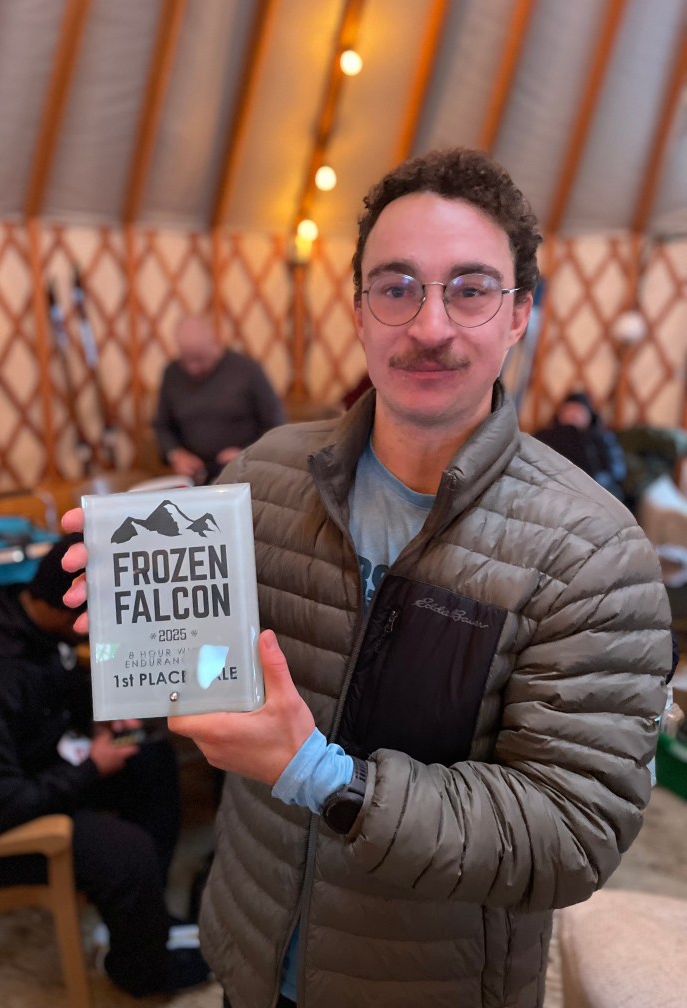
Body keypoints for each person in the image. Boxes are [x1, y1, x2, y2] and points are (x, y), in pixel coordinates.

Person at [63, 148, 672, 1008]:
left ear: (518, 315)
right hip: (251, 949)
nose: (430, 325)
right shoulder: (263, 478)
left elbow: (572, 834)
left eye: (470, 289)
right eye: (397, 288)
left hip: (431, 987)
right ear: (358, 313)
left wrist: (321, 774)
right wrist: (140, 627)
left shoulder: (594, 553)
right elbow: (215, 680)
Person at [0, 534, 209, 999]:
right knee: (126, 852)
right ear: (71, 609)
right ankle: (141, 973)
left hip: (34, 767)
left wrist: (99, 719)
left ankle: (140, 919)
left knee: (152, 758)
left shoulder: (25, 614)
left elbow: (59, 685)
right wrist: (91, 767)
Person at [152, 314, 286, 483]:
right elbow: (162, 425)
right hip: (194, 478)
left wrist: (247, 452)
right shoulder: (172, 373)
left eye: (199, 359)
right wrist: (176, 454)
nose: (193, 368)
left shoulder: (247, 370)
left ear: (215, 342)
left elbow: (275, 424)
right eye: (187, 359)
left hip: (244, 474)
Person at [534, 390, 629, 504]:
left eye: (579, 410)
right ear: (559, 415)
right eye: (569, 410)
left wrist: (598, 481)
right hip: (554, 489)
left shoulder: (602, 438)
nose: (573, 415)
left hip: (595, 490)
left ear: (589, 415)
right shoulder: (545, 436)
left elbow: (618, 470)